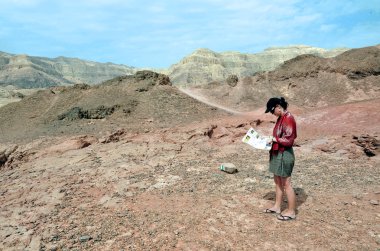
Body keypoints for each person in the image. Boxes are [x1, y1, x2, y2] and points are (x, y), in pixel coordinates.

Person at [263, 97, 297, 221]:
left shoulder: (288, 118)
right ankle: (277, 206)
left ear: (278, 106)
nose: (272, 113)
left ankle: (291, 211)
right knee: (277, 180)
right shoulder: (280, 118)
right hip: (277, 153)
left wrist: (275, 139)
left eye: (272, 111)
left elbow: (289, 140)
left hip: (285, 154)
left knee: (286, 183)